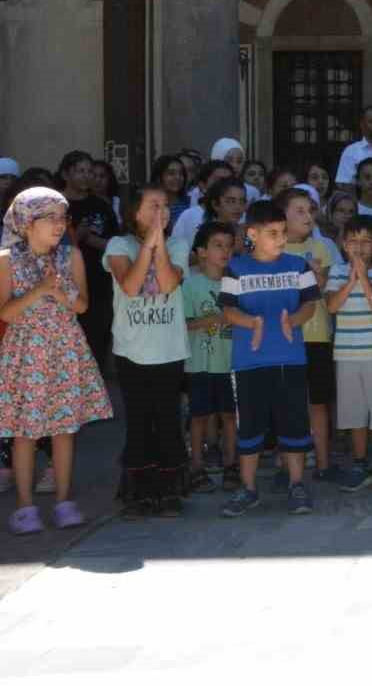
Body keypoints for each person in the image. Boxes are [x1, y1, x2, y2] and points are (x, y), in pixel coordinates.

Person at [0, 188, 113, 534]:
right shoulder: (6, 259)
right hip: (26, 353)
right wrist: (38, 290)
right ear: (27, 222)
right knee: (24, 431)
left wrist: (63, 291)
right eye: (49, 218)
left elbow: (82, 307)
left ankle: (64, 501)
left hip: (64, 349)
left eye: (62, 217)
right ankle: (24, 506)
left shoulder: (71, 256)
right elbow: (4, 310)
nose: (58, 225)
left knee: (65, 428)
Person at [218, 200, 322, 518]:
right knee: (249, 426)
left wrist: (292, 321)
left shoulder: (298, 266)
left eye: (282, 233)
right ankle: (248, 489)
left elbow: (310, 305)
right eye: (272, 233)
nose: (280, 239)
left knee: (294, 422)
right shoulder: (236, 268)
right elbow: (228, 309)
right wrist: (252, 323)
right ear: (252, 234)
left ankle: (296, 485)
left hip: (290, 360)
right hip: (249, 363)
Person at [105, 184, 188, 518]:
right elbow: (131, 285)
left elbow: (168, 283)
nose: (162, 212)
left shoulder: (179, 243)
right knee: (139, 420)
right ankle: (138, 491)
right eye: (153, 206)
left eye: (166, 206)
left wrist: (159, 244)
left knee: (168, 419)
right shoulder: (118, 245)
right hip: (132, 351)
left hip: (169, 349)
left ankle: (169, 489)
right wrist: (148, 246)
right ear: (133, 212)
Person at [326, 216, 372, 493]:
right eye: (353, 242)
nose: (359, 247)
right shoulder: (335, 271)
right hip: (346, 354)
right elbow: (332, 307)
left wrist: (363, 278)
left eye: (366, 241)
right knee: (354, 410)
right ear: (344, 245)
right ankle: (359, 461)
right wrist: (350, 281)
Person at [280, 188, 339, 481]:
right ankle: (287, 466)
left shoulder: (321, 247)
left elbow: (323, 289)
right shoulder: (272, 249)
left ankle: (324, 463)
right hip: (282, 338)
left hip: (316, 335)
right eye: (299, 211)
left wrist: (316, 274)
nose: (307, 216)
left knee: (318, 401)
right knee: (287, 403)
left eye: (310, 211)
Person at [183, 222, 238, 493]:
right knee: (199, 416)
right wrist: (215, 319)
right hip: (199, 365)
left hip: (230, 363)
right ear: (202, 252)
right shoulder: (190, 285)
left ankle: (231, 465)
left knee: (229, 415)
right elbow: (183, 325)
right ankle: (196, 467)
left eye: (229, 246)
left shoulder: (235, 284)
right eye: (218, 245)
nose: (225, 251)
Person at [58, 150, 117, 366]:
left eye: (89, 171)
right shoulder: (55, 204)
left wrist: (88, 239)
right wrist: (74, 236)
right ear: (66, 174)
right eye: (80, 171)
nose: (86, 176)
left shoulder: (101, 206)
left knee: (96, 348)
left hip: (98, 286)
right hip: (63, 286)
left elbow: (115, 244)